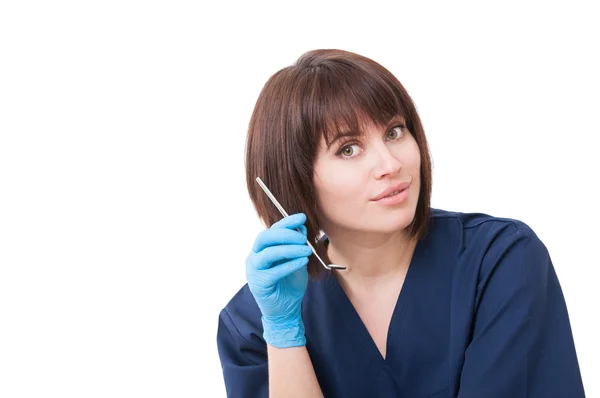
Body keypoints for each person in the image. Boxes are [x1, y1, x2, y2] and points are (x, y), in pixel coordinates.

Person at [216, 49, 585, 398]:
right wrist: (284, 336)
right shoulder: (253, 323)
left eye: (394, 131)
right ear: (292, 180)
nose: (391, 164)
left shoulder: (501, 262)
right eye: (348, 149)